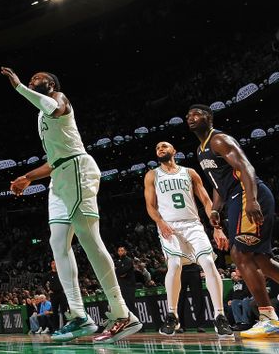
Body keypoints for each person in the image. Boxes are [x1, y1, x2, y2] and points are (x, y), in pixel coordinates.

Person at [4, 68, 142, 343]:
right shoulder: (41, 115)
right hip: (59, 176)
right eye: (29, 80)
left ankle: (122, 313)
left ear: (50, 83)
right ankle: (79, 315)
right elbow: (54, 159)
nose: (32, 81)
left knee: (89, 240)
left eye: (37, 79)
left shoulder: (59, 100)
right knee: (58, 244)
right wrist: (27, 177)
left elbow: (54, 109)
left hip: (77, 170)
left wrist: (20, 87)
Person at [187, 104, 279, 338]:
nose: (191, 118)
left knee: (240, 254)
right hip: (235, 198)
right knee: (263, 262)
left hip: (248, 194)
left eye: (196, 114)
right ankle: (269, 316)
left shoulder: (219, 140)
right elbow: (218, 185)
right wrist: (216, 209)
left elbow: (246, 167)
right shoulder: (201, 150)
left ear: (209, 118)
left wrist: (252, 201)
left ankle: (268, 317)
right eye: (188, 116)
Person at [143, 140, 232, 336]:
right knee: (174, 265)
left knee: (208, 263)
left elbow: (207, 201)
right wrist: (160, 222)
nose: (160, 149)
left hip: (193, 224)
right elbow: (150, 205)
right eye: (157, 147)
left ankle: (220, 316)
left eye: (164, 146)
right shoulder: (152, 175)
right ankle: (172, 315)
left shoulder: (189, 172)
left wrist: (217, 227)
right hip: (169, 227)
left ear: (174, 151)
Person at [114, 247, 136, 319]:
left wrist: (119, 272)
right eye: (119, 251)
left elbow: (123, 271)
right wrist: (119, 273)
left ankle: (135, 320)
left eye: (122, 250)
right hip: (121, 285)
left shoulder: (128, 260)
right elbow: (117, 272)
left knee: (130, 303)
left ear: (125, 252)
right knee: (124, 303)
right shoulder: (118, 261)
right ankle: (128, 320)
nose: (120, 252)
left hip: (129, 285)